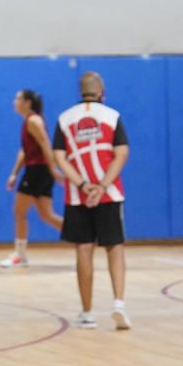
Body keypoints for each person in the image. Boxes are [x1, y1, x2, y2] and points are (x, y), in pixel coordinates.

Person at [52, 71, 131, 330]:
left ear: (81, 92)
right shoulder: (112, 116)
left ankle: (87, 313)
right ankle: (119, 304)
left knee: (84, 249)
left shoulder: (65, 119)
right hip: (109, 194)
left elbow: (60, 158)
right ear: (102, 92)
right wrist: (102, 186)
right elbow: (121, 153)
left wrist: (84, 186)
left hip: (78, 197)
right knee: (115, 247)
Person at [0, 89, 63, 267]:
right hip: (37, 170)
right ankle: (83, 236)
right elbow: (24, 151)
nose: (14, 102)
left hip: (37, 171)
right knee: (47, 215)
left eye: (17, 98)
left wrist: (53, 169)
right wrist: (14, 173)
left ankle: (20, 256)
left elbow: (45, 144)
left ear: (27, 102)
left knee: (19, 212)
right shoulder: (29, 120)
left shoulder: (34, 120)